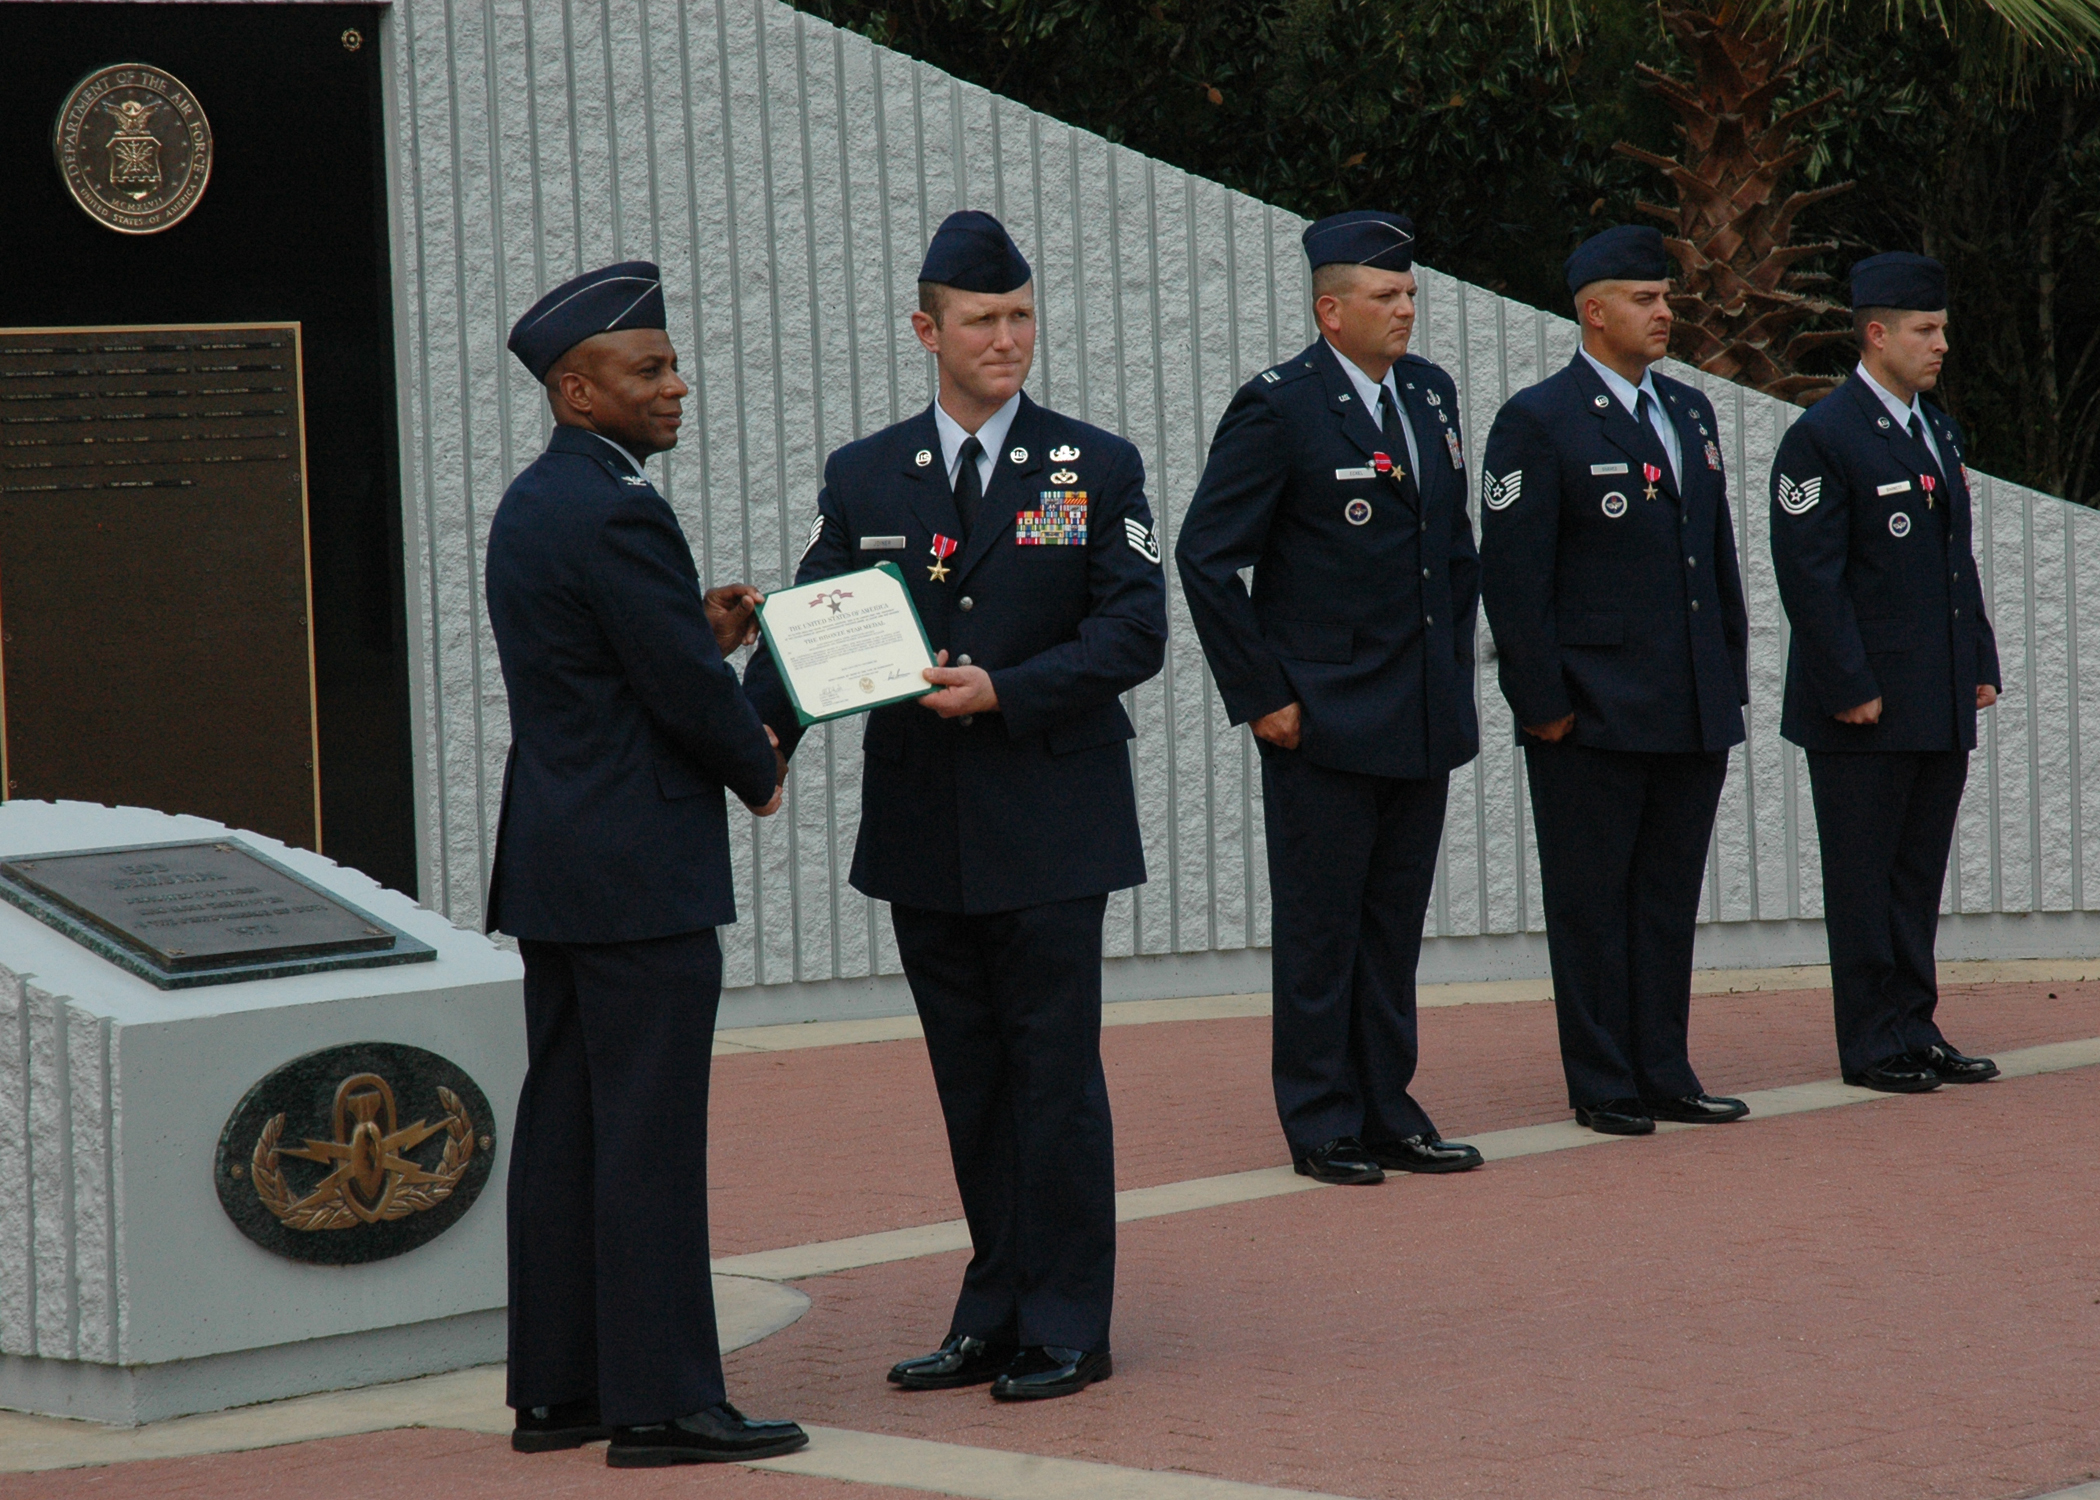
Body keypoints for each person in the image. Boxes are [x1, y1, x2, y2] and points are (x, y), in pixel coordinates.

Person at [744, 211, 1167, 1400]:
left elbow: (1137, 629)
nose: (1008, 339)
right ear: (927, 329)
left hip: (1050, 816)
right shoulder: (867, 471)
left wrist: (1008, 690)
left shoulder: (1097, 464)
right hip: (926, 827)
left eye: (1022, 316)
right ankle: (994, 1311)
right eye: (983, 320)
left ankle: (1071, 1322)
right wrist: (757, 735)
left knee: (1054, 1080)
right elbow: (811, 619)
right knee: (972, 1081)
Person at [485, 260, 806, 1468]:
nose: (677, 386)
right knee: (647, 1140)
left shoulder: (539, 500)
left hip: (564, 865)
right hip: (638, 872)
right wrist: (758, 758)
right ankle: (666, 1404)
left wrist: (698, 627)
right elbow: (675, 692)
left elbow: (617, 660)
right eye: (648, 370)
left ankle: (560, 1391)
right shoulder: (620, 508)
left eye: (670, 364)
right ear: (579, 391)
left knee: (569, 1128)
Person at [1176, 210, 1484, 1186]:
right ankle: (1321, 1120)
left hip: (1421, 709)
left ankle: (1388, 1108)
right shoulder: (1281, 407)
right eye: (1386, 297)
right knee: (1323, 932)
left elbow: (1452, 554)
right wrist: (1262, 695)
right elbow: (1206, 556)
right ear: (1330, 308)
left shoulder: (1429, 396)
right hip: (1323, 717)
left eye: (1409, 295)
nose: (1405, 310)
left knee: (1391, 930)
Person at [1478, 225, 1751, 1137]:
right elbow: (1515, 581)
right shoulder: (1538, 419)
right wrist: (1542, 703)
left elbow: (1715, 564)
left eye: (1666, 297)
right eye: (1645, 299)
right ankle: (1602, 1079)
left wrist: (1728, 682)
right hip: (1591, 710)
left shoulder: (1691, 414)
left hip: (1687, 702)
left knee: (1667, 899)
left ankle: (1663, 1070)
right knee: (1592, 903)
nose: (1666, 311)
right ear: (1594, 311)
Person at [1768, 252, 2001, 1094]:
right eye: (1925, 331)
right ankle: (1871, 1042)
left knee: (1914, 875)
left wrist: (1976, 658)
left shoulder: (1936, 429)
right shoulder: (1822, 437)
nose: (1941, 345)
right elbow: (1810, 575)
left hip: (1935, 694)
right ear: (1876, 334)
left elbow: (1953, 561)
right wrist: (1848, 684)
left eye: (1942, 329)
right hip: (1863, 705)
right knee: (1865, 879)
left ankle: (1914, 1024)